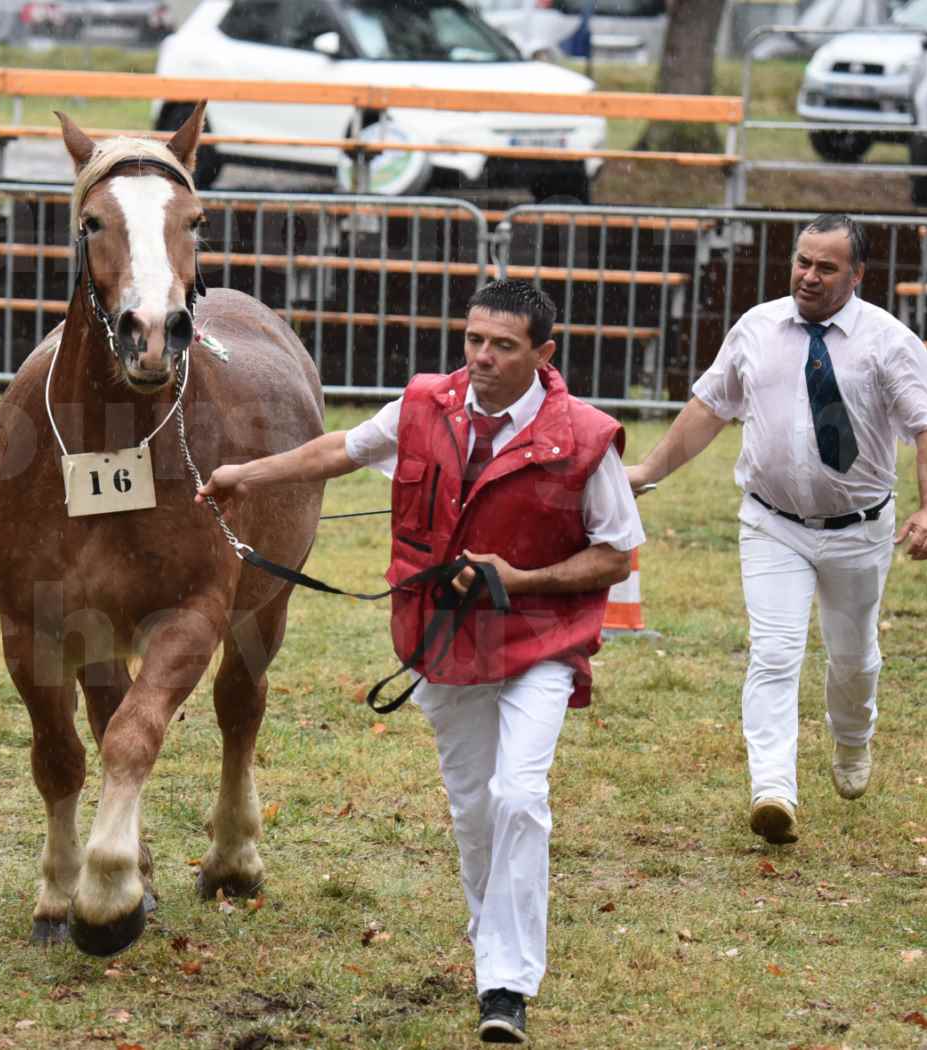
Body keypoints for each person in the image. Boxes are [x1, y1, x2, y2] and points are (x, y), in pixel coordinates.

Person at [197, 279, 644, 1045]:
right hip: (442, 641)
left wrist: (524, 579)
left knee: (518, 796)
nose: (482, 357)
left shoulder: (585, 437)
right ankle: (491, 943)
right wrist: (249, 474)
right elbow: (340, 449)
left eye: (503, 346)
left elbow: (614, 555)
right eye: (474, 339)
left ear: (543, 354)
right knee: (473, 811)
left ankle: (505, 985)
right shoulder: (422, 407)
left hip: (540, 642)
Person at [625, 213, 927, 847]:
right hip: (772, 523)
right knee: (774, 653)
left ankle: (853, 739)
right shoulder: (757, 328)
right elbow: (708, 408)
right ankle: (772, 789)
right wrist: (649, 469)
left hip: (858, 530)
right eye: (803, 261)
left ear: (857, 275)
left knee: (853, 656)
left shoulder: (888, 341)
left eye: (826, 267)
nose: (809, 275)